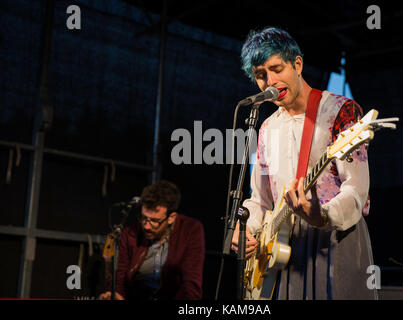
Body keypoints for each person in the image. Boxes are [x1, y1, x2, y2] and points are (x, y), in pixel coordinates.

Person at [231, 27, 378, 300]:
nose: (270, 82)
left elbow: (357, 191)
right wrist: (246, 229)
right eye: (260, 75)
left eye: (276, 69)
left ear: (297, 64)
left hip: (334, 239)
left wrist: (321, 215)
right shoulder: (266, 128)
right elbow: (260, 200)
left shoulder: (339, 111)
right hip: (283, 249)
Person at [99, 180, 205, 300]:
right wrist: (117, 294)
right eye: (144, 218)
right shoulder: (130, 233)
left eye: (154, 221)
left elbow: (191, 284)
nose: (146, 226)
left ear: (171, 217)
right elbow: (120, 275)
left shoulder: (190, 229)